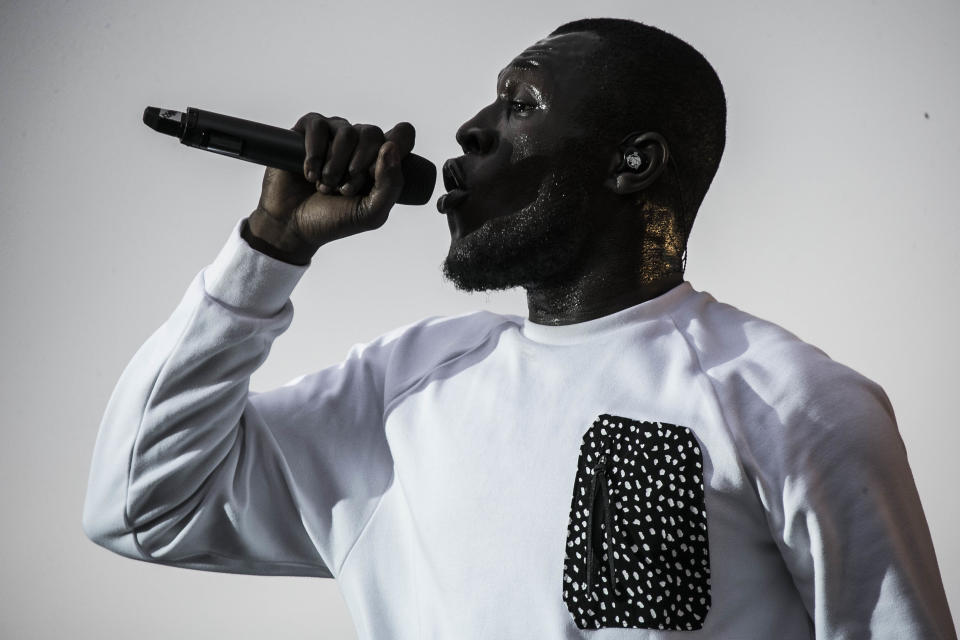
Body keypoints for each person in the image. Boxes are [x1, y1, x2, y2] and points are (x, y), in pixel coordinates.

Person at [82, 17, 957, 639]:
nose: (470, 129)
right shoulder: (403, 388)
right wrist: (268, 249)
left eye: (522, 103)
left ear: (632, 162)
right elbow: (140, 507)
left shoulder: (794, 403)